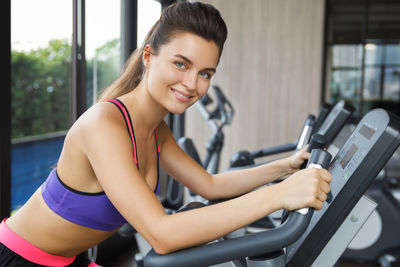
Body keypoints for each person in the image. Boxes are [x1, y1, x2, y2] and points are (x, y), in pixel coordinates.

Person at [0, 2, 331, 266]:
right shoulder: (104, 124)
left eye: (205, 73)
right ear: (149, 56)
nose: (192, 84)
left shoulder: (156, 130)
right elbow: (162, 234)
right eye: (181, 64)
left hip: (68, 260)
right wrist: (279, 195)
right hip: (19, 258)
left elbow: (209, 185)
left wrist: (285, 167)